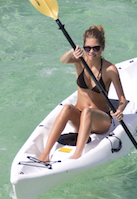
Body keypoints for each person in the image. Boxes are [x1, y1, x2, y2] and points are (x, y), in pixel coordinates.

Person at [37, 25, 128, 162]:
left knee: (88, 112)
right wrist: (72, 52)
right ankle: (45, 155)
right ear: (84, 48)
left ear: (102, 48)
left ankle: (76, 157)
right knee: (67, 108)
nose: (91, 52)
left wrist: (120, 110)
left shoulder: (110, 69)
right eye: (88, 48)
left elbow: (122, 100)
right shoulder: (79, 60)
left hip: (100, 122)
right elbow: (63, 60)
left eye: (96, 48)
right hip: (79, 120)